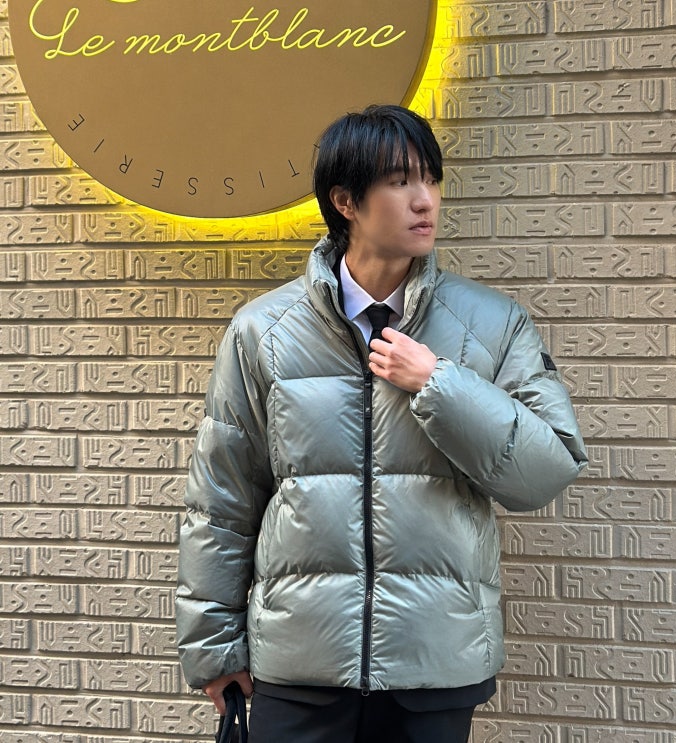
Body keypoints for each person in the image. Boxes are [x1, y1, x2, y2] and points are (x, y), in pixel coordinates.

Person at [176, 104, 588, 742]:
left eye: (431, 179)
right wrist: (214, 646)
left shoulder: (492, 324)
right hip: (300, 666)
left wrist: (439, 383)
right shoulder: (264, 332)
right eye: (400, 182)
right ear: (346, 202)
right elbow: (222, 499)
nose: (425, 200)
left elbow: (546, 471)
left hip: (434, 665)